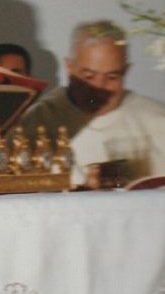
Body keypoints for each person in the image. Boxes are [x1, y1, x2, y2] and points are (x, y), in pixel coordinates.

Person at [20, 20, 165, 183]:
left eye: (111, 77)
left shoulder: (158, 120)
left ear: (126, 71)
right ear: (69, 68)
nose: (99, 88)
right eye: (89, 77)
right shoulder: (35, 124)